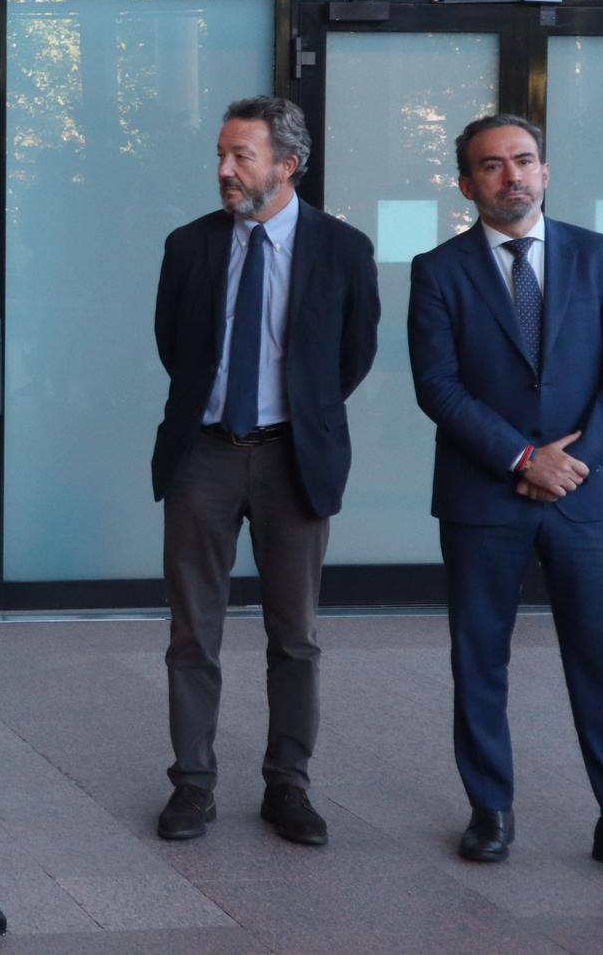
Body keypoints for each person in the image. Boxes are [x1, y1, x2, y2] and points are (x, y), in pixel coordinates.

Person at [150, 96, 379, 847]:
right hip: (204, 454)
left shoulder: (342, 250)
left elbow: (351, 357)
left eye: (241, 155)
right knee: (193, 632)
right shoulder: (188, 245)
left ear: (287, 164)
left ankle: (289, 785)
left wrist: (297, 417)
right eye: (221, 152)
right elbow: (174, 348)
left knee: (296, 636)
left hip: (294, 458)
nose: (224, 169)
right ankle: (193, 784)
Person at [409, 113, 603, 866]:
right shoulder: (438, 270)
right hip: (482, 496)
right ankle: (490, 807)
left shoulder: (599, 258)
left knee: (600, 653)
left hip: (588, 494)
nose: (511, 176)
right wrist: (524, 457)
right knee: (479, 656)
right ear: (467, 184)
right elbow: (438, 387)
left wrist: (569, 463)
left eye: (524, 161)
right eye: (491, 166)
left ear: (546, 172)